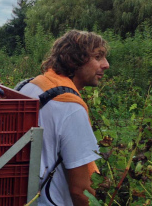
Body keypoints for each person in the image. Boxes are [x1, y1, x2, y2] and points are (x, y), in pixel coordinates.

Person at [17, 30, 110, 205]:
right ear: (75, 60)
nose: (106, 64)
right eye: (98, 57)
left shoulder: (29, 86)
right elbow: (81, 190)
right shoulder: (71, 107)